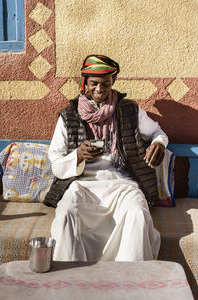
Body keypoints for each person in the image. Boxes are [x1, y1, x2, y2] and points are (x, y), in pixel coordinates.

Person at [45, 54, 168, 262]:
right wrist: (77, 155)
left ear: (113, 82)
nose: (99, 90)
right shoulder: (68, 116)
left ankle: (131, 279)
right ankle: (70, 280)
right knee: (66, 215)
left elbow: (158, 133)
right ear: (84, 82)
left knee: (137, 213)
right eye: (94, 83)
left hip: (122, 185)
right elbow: (56, 164)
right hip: (81, 185)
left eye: (106, 84)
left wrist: (159, 144)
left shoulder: (129, 110)